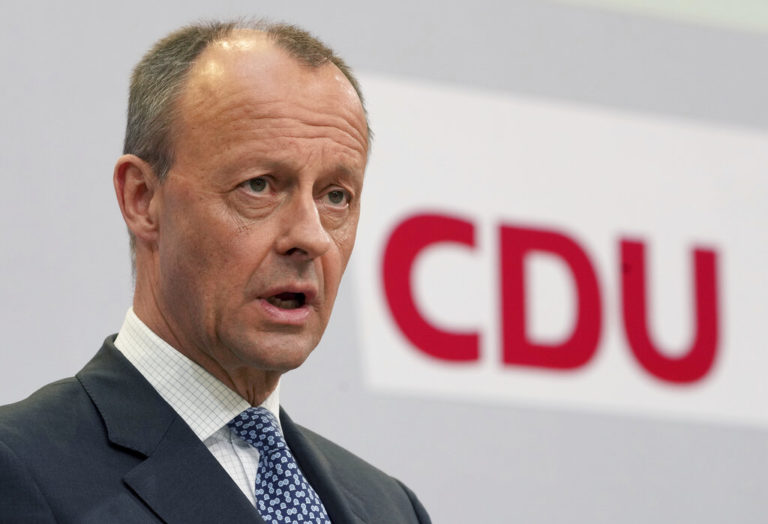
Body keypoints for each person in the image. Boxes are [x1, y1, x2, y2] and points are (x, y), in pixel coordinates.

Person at [0, 19, 431, 523]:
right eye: (260, 185)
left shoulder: (391, 508)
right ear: (142, 199)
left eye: (336, 196)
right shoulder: (20, 469)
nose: (311, 237)